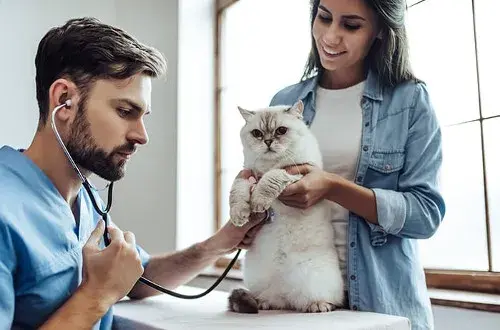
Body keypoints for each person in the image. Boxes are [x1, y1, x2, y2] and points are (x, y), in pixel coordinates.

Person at [0, 17, 267, 329]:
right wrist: (97, 294)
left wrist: (221, 243)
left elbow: (135, 276)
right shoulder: (7, 208)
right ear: (64, 101)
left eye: (143, 116)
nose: (142, 136)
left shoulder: (84, 201)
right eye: (126, 112)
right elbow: (109, 285)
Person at [267, 0, 445, 329]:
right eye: (323, 18)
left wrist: (334, 187)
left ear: (379, 30)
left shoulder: (410, 101)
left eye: (351, 25)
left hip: (380, 301)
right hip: (295, 296)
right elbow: (268, 214)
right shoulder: (284, 103)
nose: (330, 36)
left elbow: (426, 214)